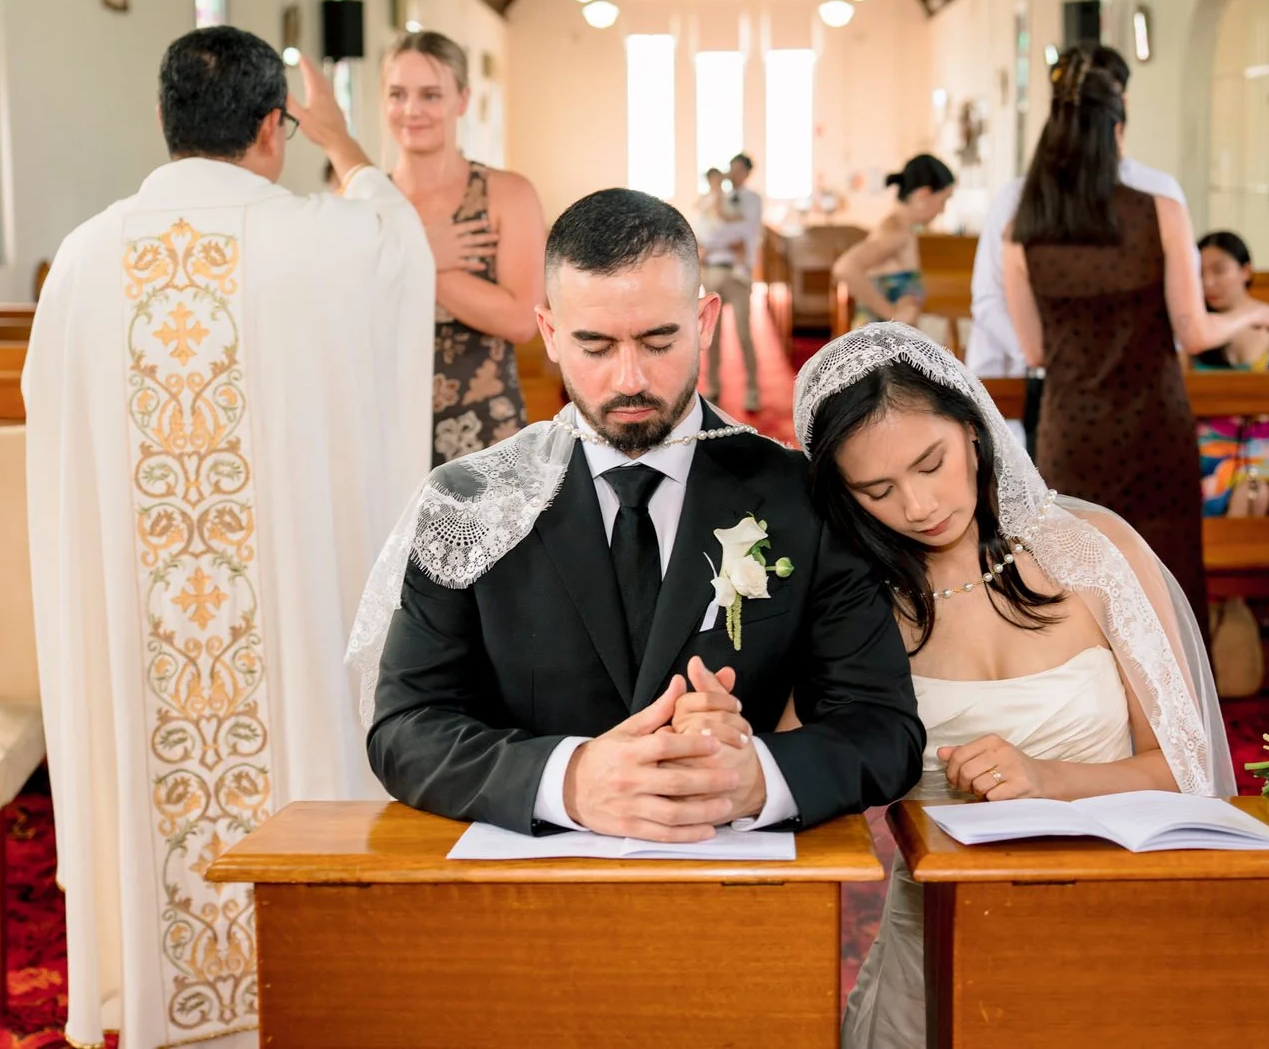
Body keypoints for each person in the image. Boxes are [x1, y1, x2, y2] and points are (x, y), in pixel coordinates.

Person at [23, 26, 434, 1049]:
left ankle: (170, 1009)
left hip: (140, 636)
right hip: (282, 627)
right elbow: (399, 249)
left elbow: (51, 425)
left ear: (162, 124)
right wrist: (347, 148)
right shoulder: (320, 237)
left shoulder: (81, 257)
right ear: (271, 127)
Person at [353, 188, 923, 838]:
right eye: (595, 346)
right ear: (550, 332)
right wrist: (568, 779)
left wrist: (757, 775)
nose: (629, 378)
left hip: (737, 897)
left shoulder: (800, 494)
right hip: (528, 901)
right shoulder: (468, 500)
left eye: (658, 341)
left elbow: (884, 727)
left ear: (705, 321)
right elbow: (404, 729)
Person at [791, 322, 1232, 1049]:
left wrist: (1045, 776)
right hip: (934, 931)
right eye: (879, 489)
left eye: (930, 462)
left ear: (972, 428)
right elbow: (799, 765)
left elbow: (1188, 772)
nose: (918, 504)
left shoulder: (1093, 553)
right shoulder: (859, 605)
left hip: (1108, 920)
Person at [1003, 49, 1269, 630]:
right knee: (1165, 583)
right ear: (1115, 131)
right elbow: (1193, 331)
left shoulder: (1023, 233)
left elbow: (1034, 351)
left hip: (1072, 430)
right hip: (1152, 428)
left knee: (1081, 589)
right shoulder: (1159, 211)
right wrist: (1250, 315)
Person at [969, 46, 1185, 450]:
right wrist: (1059, 358)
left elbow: (1177, 307)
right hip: (1045, 387)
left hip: (1141, 390)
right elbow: (988, 299)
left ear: (1121, 104)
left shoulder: (1158, 194)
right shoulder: (1019, 199)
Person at [384, 31, 546, 465]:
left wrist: (414, 257)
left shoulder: (506, 194)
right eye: (397, 94)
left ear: (461, 100)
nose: (411, 110)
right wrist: (426, 253)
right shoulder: (367, 203)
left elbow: (519, 321)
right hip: (387, 422)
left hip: (483, 424)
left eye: (430, 95)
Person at [1193, 231, 1269, 518]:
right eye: (1200, 273)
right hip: (1212, 441)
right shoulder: (1195, 329)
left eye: (1219, 270)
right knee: (1251, 495)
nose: (1208, 282)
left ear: (1246, 271)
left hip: (1267, 440)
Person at [832, 155, 957, 344]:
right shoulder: (895, 233)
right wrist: (892, 317)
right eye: (943, 201)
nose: (942, 210)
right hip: (877, 354)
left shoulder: (904, 230)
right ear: (922, 195)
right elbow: (845, 267)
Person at [696, 164, 761, 413]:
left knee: (744, 333)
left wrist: (722, 239)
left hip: (738, 274)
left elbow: (744, 235)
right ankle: (713, 387)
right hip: (712, 271)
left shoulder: (746, 202)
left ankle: (753, 389)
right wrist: (713, 242)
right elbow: (703, 236)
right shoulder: (706, 204)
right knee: (712, 335)